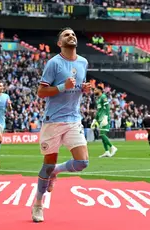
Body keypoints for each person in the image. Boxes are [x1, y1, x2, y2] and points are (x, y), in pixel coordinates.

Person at [32, 27, 91, 223]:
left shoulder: (83, 62)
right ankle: (38, 204)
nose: (71, 36)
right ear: (59, 43)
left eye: (73, 34)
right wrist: (61, 87)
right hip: (53, 121)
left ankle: (57, 170)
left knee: (82, 162)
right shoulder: (54, 63)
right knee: (46, 166)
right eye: (66, 35)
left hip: (73, 119)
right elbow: (41, 92)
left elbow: (77, 88)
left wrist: (84, 89)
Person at [91, 86, 118, 157]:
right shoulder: (98, 99)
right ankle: (107, 151)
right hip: (100, 119)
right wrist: (95, 119)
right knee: (103, 135)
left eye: (95, 90)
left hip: (104, 118)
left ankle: (112, 147)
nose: (94, 91)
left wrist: (106, 117)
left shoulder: (103, 97)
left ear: (100, 90)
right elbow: (99, 111)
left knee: (102, 134)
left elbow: (107, 107)